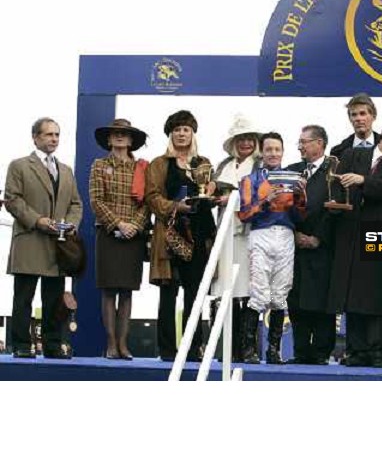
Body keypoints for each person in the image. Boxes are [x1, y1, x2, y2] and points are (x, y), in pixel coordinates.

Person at [4, 117, 82, 359]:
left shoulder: (66, 171)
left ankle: (52, 344)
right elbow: (13, 199)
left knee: (54, 299)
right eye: (49, 135)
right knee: (24, 296)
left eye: (57, 135)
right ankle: (21, 344)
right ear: (35, 138)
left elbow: (76, 204)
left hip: (57, 244)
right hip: (30, 239)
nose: (54, 139)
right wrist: (37, 220)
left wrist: (71, 224)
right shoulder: (19, 166)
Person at [328, 122, 382, 367]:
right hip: (350, 232)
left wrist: (363, 180)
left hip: (378, 234)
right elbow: (338, 184)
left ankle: (376, 350)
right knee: (352, 295)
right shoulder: (353, 154)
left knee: (376, 294)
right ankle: (355, 350)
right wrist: (337, 203)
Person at [145, 110, 216, 361]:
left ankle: (193, 348)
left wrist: (212, 193)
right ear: (170, 134)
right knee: (168, 293)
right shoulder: (159, 164)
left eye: (186, 129)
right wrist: (177, 207)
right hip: (170, 237)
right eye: (177, 130)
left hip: (198, 235)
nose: (181, 133)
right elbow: (152, 198)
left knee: (194, 294)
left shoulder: (204, 163)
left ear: (193, 133)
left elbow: (210, 196)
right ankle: (166, 350)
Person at [238, 132, 307, 365]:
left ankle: (273, 351)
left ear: (283, 151)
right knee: (258, 294)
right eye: (269, 149)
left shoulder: (292, 177)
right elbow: (244, 214)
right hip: (261, 235)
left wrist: (300, 196)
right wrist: (266, 201)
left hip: (286, 236)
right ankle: (248, 350)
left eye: (277, 149)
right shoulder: (251, 179)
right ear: (262, 152)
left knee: (280, 296)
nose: (273, 154)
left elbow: (299, 216)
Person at [89, 118, 150, 359]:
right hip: (108, 233)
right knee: (108, 291)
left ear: (132, 139)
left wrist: (134, 225)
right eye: (115, 133)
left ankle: (123, 344)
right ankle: (111, 344)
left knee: (127, 292)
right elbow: (96, 200)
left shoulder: (142, 168)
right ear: (108, 138)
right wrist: (118, 224)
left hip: (134, 235)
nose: (120, 137)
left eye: (124, 133)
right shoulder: (99, 165)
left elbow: (148, 202)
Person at [211, 113, 261, 361]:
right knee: (223, 289)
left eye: (250, 139)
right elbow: (212, 191)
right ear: (234, 142)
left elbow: (261, 196)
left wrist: (232, 199)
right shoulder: (223, 166)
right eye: (241, 139)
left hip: (249, 233)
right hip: (224, 231)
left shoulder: (260, 166)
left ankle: (246, 349)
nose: (246, 144)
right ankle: (223, 348)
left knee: (248, 289)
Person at [287, 125, 336, 365]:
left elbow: (336, 209)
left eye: (304, 142)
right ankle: (301, 351)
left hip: (323, 247)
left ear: (319, 143)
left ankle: (321, 352)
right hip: (294, 246)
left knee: (321, 301)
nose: (300, 147)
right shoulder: (292, 171)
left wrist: (318, 237)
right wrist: (294, 233)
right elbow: (282, 205)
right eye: (299, 142)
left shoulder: (334, 171)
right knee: (296, 301)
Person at [330, 93, 382, 159]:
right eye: (354, 115)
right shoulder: (337, 152)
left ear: (374, 116)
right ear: (350, 118)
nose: (358, 118)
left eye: (362, 114)